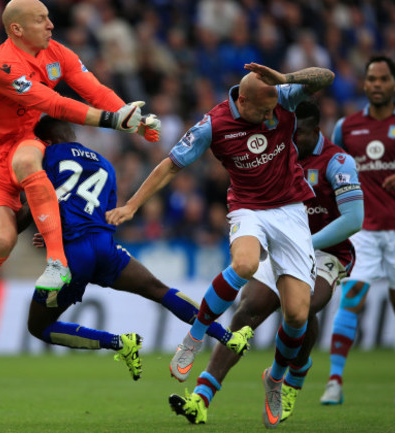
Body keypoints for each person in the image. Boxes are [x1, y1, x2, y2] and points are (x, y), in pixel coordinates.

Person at [107, 63, 335, 428]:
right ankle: (195, 335)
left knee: (296, 315)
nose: (267, 118)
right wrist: (132, 205)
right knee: (243, 264)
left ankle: (275, 377)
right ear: (242, 100)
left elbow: (326, 77)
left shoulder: (282, 97)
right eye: (261, 111)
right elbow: (170, 165)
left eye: (270, 112)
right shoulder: (212, 125)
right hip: (247, 208)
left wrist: (285, 80)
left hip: (291, 209)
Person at [0, 0, 160, 358]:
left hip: (24, 141)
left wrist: (130, 115)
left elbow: (93, 88)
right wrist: (111, 121)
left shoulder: (56, 52)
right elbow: (55, 104)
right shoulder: (2, 66)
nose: (51, 25)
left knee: (29, 159)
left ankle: (56, 264)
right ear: (17, 29)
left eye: (48, 18)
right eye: (41, 20)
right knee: (0, 241)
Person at [0, 116, 252, 379]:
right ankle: (228, 336)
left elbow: (36, 201)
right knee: (159, 290)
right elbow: (101, 214)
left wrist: (3, 234)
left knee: (38, 327)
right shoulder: (105, 165)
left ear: (44, 141)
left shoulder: (47, 157)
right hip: (105, 248)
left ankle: (119, 343)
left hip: (74, 255)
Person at [167, 100, 363, 425]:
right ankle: (201, 397)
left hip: (325, 250)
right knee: (248, 310)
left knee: (303, 307)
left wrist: (306, 244)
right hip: (280, 243)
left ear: (313, 130)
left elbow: (354, 218)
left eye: (293, 132)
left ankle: (288, 378)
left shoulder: (336, 161)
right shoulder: (274, 150)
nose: (282, 135)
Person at [321, 55, 395, 405]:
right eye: (371, 79)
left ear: (394, 83)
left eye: (383, 79)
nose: (376, 84)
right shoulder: (347, 127)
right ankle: (334, 381)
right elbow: (331, 172)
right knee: (352, 296)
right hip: (363, 230)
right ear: (364, 83)